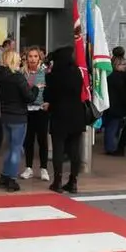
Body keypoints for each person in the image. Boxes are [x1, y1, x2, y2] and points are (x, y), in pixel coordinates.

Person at [43, 46, 87, 194]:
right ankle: (73, 181)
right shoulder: (77, 73)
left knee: (58, 149)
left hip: (59, 114)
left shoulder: (52, 76)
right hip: (76, 114)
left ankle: (57, 181)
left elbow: (48, 96)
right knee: (75, 150)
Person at [0, 50, 39, 192]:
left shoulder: (1, 76)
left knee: (8, 146)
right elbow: (29, 97)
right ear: (13, 60)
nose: (21, 60)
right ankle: (12, 179)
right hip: (18, 116)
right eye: (19, 59)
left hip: (5, 115)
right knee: (16, 148)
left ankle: (4, 175)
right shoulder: (17, 77)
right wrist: (36, 89)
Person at [20, 46, 49, 181]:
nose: (33, 59)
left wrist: (49, 102)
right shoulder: (22, 72)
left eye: (35, 56)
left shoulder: (46, 72)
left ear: (40, 58)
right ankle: (29, 168)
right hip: (27, 111)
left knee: (42, 140)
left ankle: (44, 168)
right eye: (30, 56)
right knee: (28, 140)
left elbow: (51, 90)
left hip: (41, 110)